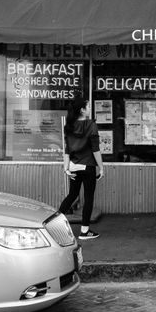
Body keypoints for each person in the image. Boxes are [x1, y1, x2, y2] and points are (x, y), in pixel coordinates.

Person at [58, 96, 103, 240]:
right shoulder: (91, 125)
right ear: (82, 110)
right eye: (88, 106)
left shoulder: (69, 125)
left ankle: (54, 224)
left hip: (74, 166)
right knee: (88, 198)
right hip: (88, 165)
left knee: (72, 195)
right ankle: (84, 231)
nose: (90, 109)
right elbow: (96, 150)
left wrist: (66, 168)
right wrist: (101, 167)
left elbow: (67, 149)